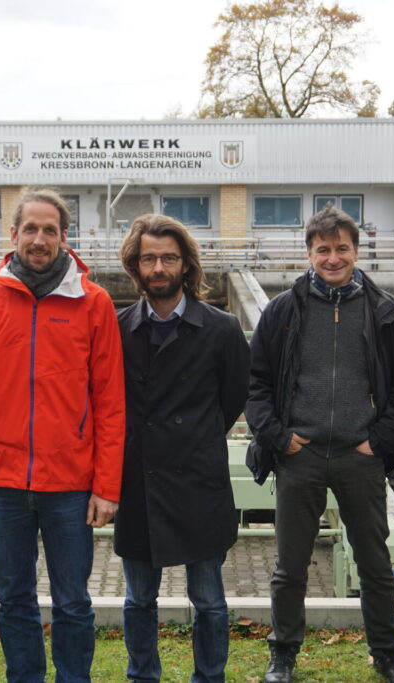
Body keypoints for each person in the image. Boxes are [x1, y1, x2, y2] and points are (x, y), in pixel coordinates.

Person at [0, 186, 125, 683]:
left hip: (71, 484)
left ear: (65, 237)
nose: (40, 238)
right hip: (3, 484)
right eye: (31, 228)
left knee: (73, 601)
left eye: (50, 229)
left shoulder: (93, 304)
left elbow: (111, 404)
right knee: (15, 600)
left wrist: (105, 486)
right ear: (14, 234)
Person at [245, 206, 394, 683]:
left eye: (342, 248)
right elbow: (256, 381)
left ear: (356, 251)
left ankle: (387, 654)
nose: (333, 258)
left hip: (359, 455)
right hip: (298, 456)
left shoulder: (386, 311)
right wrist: (279, 438)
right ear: (309, 253)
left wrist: (381, 438)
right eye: (323, 249)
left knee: (376, 565)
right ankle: (282, 653)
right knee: (290, 568)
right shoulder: (283, 311)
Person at [113, 214, 250, 682]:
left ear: (186, 265)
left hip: (198, 481)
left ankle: (209, 677)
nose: (158, 267)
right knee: (138, 599)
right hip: (140, 483)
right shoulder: (116, 329)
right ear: (134, 266)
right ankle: (142, 675)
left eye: (168, 258)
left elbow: (232, 401)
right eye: (148, 258)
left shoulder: (223, 329)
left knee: (209, 599)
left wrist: (194, 439)